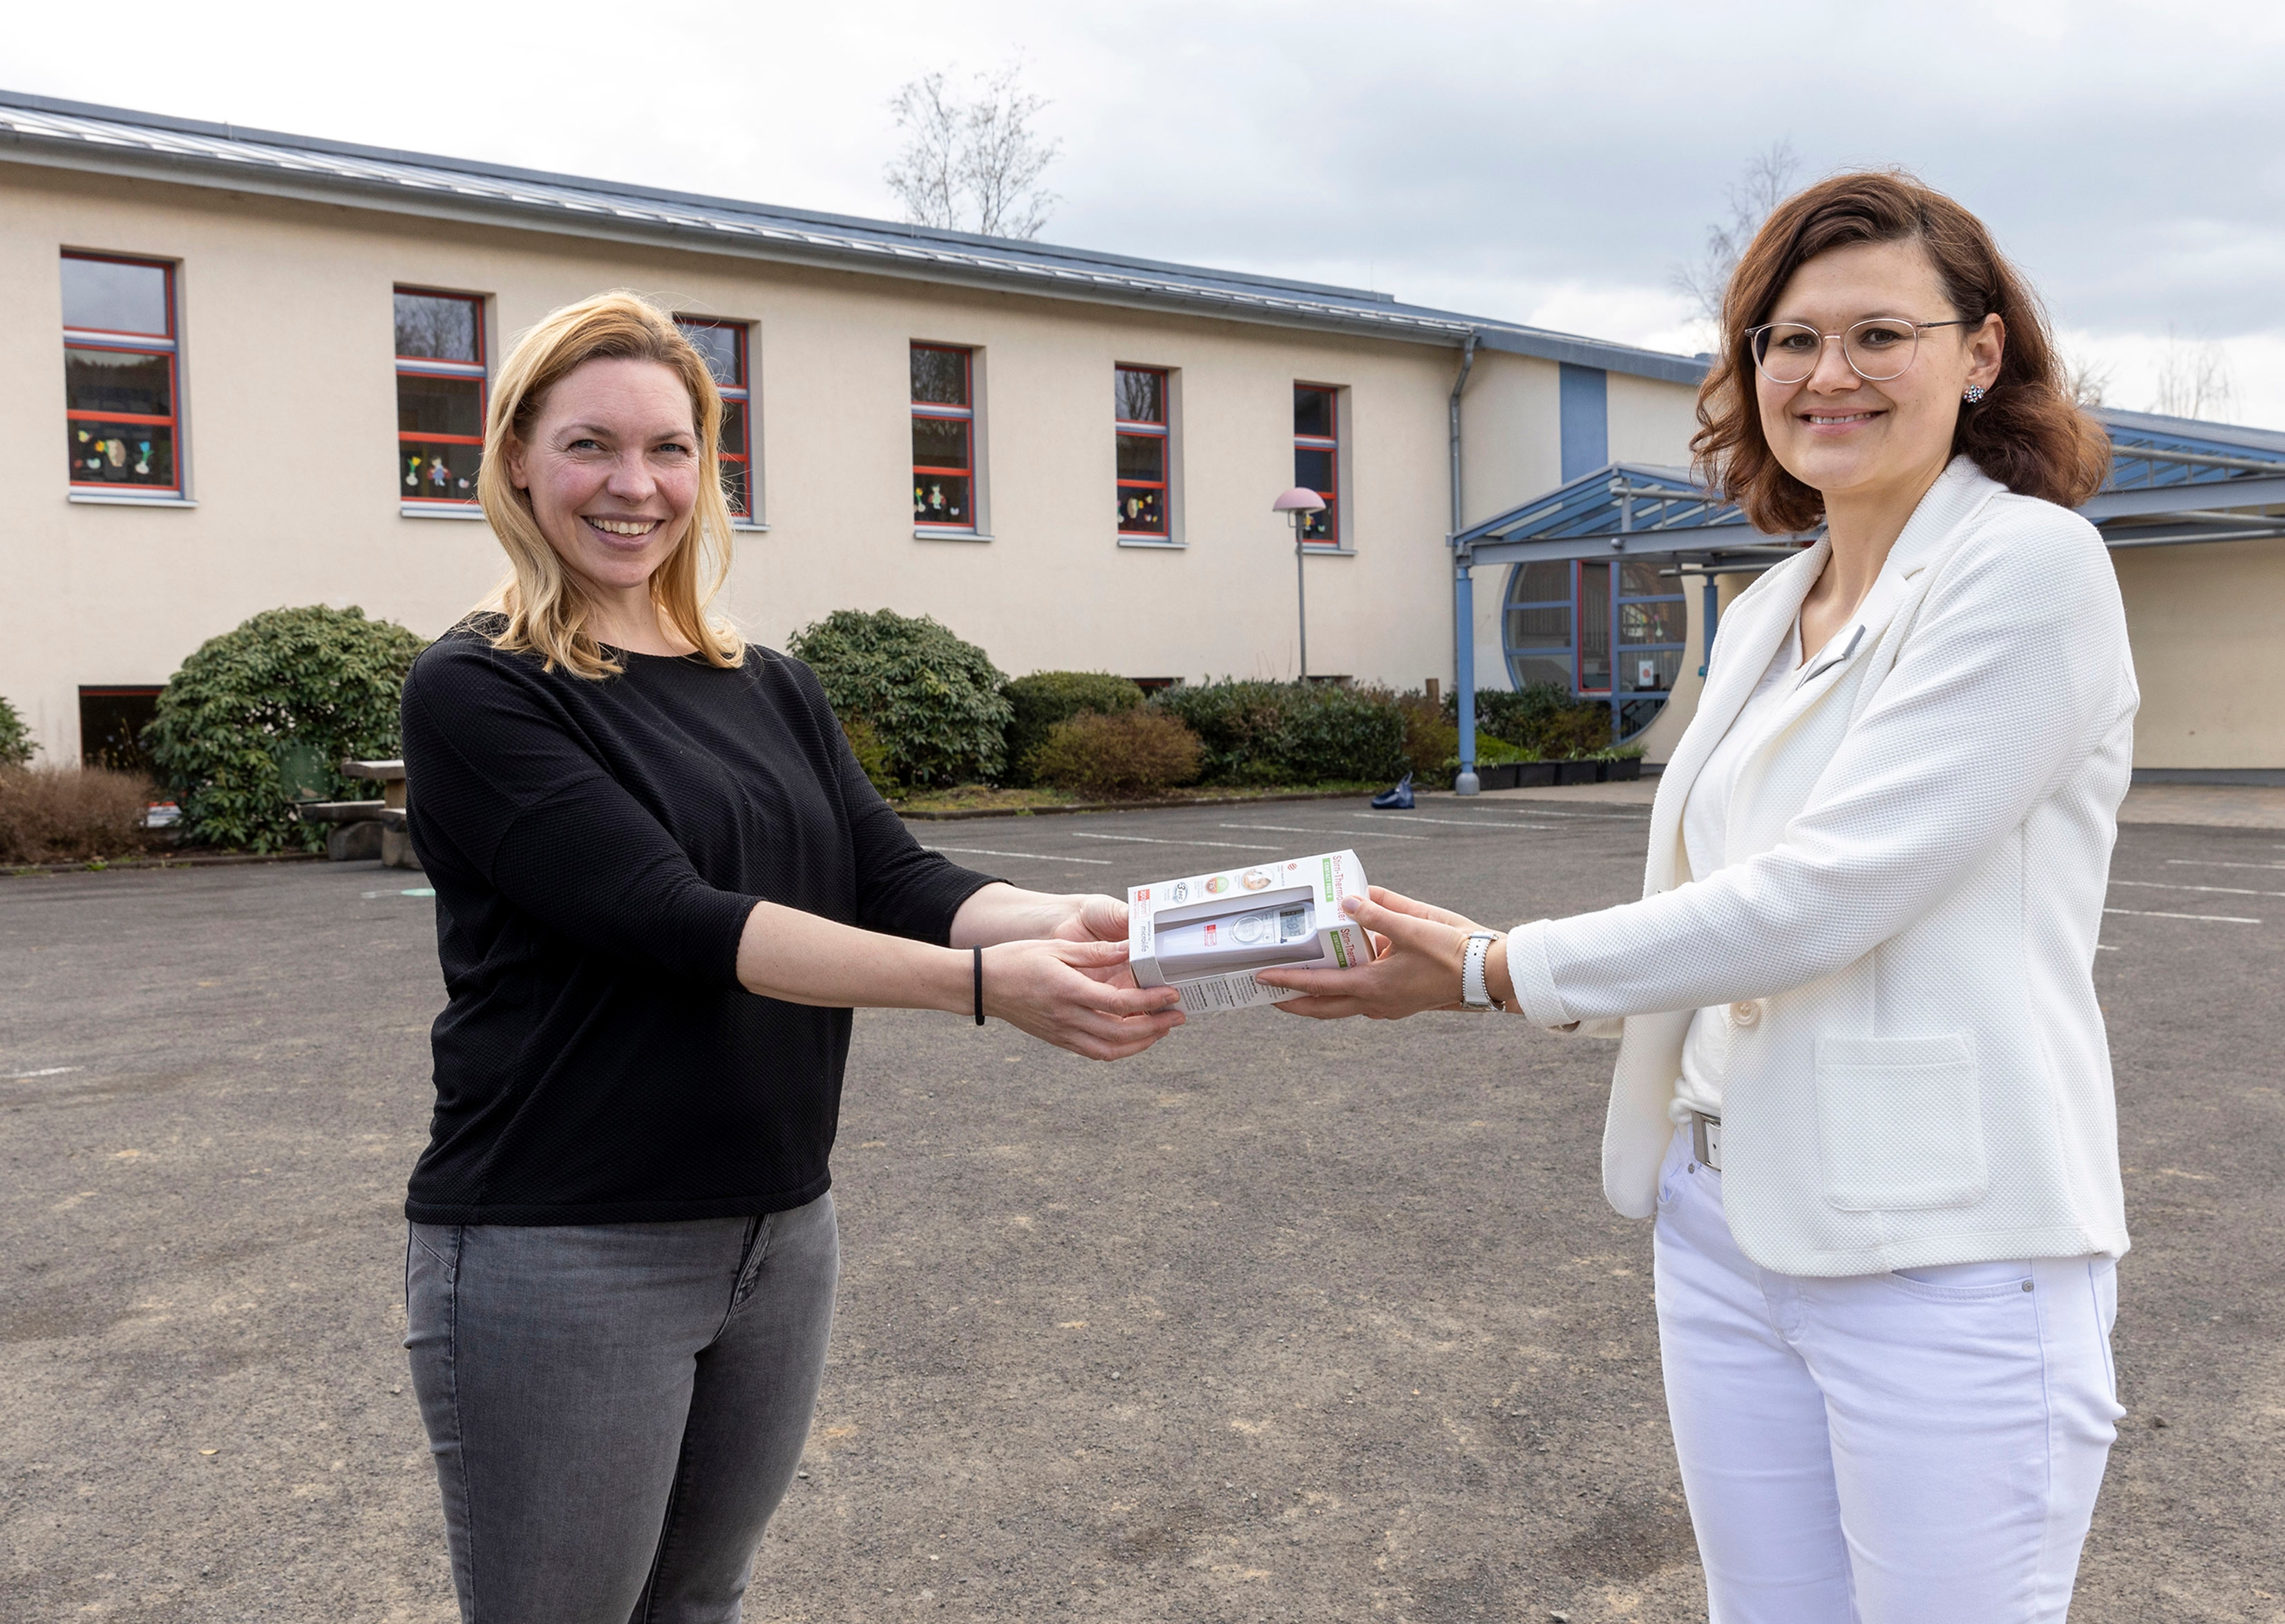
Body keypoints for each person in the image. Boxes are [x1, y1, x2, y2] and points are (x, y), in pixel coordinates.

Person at [1262, 173, 2131, 1621]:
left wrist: (1492, 964)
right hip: (1724, 1218)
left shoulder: (2030, 565)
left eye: (1879, 335)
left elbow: (1819, 897)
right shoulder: (1765, 610)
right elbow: (1716, 904)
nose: (1826, 374)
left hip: (1944, 1248)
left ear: (1980, 355)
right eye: (1787, 341)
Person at [397, 291, 1184, 1624]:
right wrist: (988, 991)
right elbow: (680, 918)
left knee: (699, 1602)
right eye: (590, 445)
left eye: (670, 447)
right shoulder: (481, 687)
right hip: (564, 1241)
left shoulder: (765, 681)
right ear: (517, 459)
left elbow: (896, 876)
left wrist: (1080, 920)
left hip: (777, 1226)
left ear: (709, 467)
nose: (633, 486)